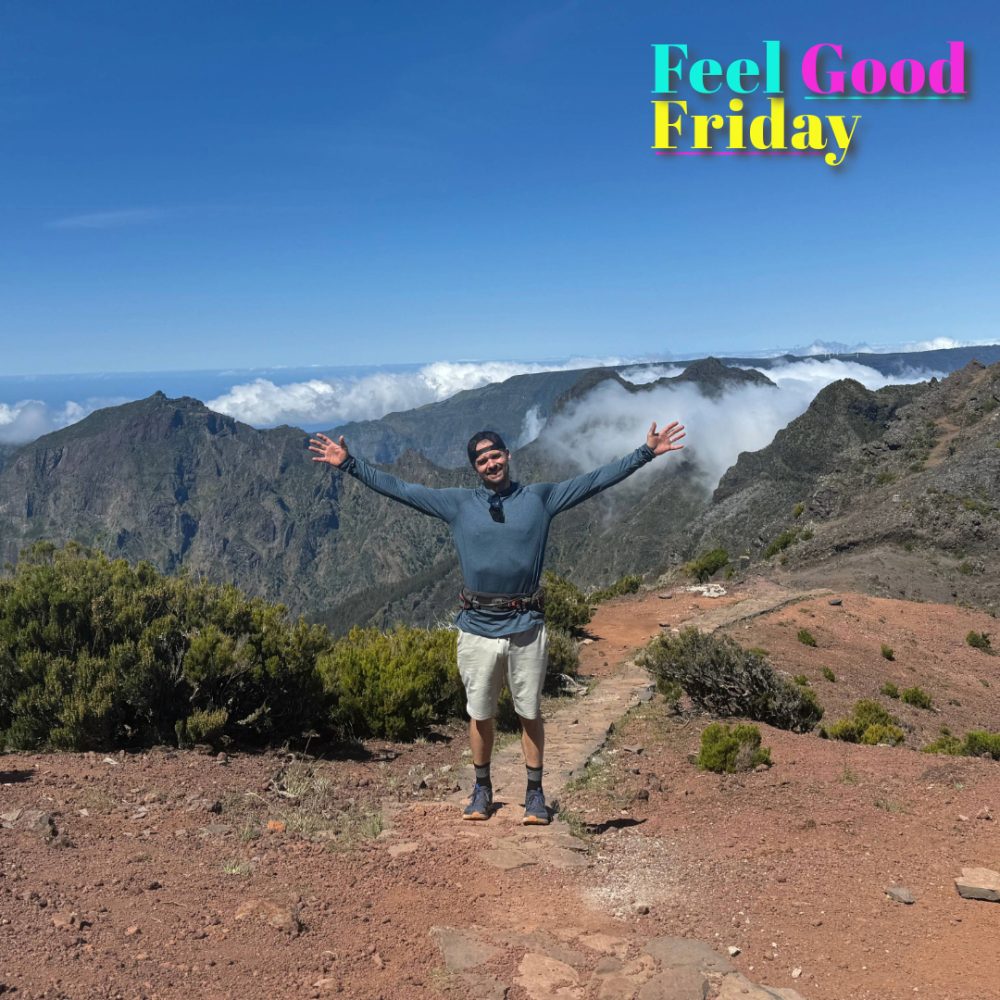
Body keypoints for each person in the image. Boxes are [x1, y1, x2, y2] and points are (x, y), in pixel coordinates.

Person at [308, 421, 685, 825]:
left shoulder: (542, 498)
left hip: (526, 627)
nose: (491, 463)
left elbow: (595, 480)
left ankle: (535, 794)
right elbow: (402, 490)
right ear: (475, 467)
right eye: (482, 459)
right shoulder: (456, 504)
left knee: (529, 712)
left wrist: (644, 453)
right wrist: (349, 465)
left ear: (508, 455)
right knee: (480, 714)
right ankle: (482, 788)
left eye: (495, 455)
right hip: (476, 627)